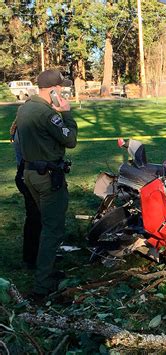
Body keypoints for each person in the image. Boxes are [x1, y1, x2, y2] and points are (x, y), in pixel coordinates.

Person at [15, 69, 78, 298]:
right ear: (53, 90)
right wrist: (66, 114)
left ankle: (46, 269)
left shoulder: (26, 108)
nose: (63, 91)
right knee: (53, 229)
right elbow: (70, 140)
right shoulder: (46, 114)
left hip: (31, 172)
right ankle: (42, 285)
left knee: (44, 224)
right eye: (61, 88)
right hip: (48, 177)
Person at [10, 120, 42, 269]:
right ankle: (31, 258)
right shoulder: (24, 130)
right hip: (26, 176)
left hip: (24, 175)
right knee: (34, 218)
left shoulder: (21, 128)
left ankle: (36, 254)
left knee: (36, 218)